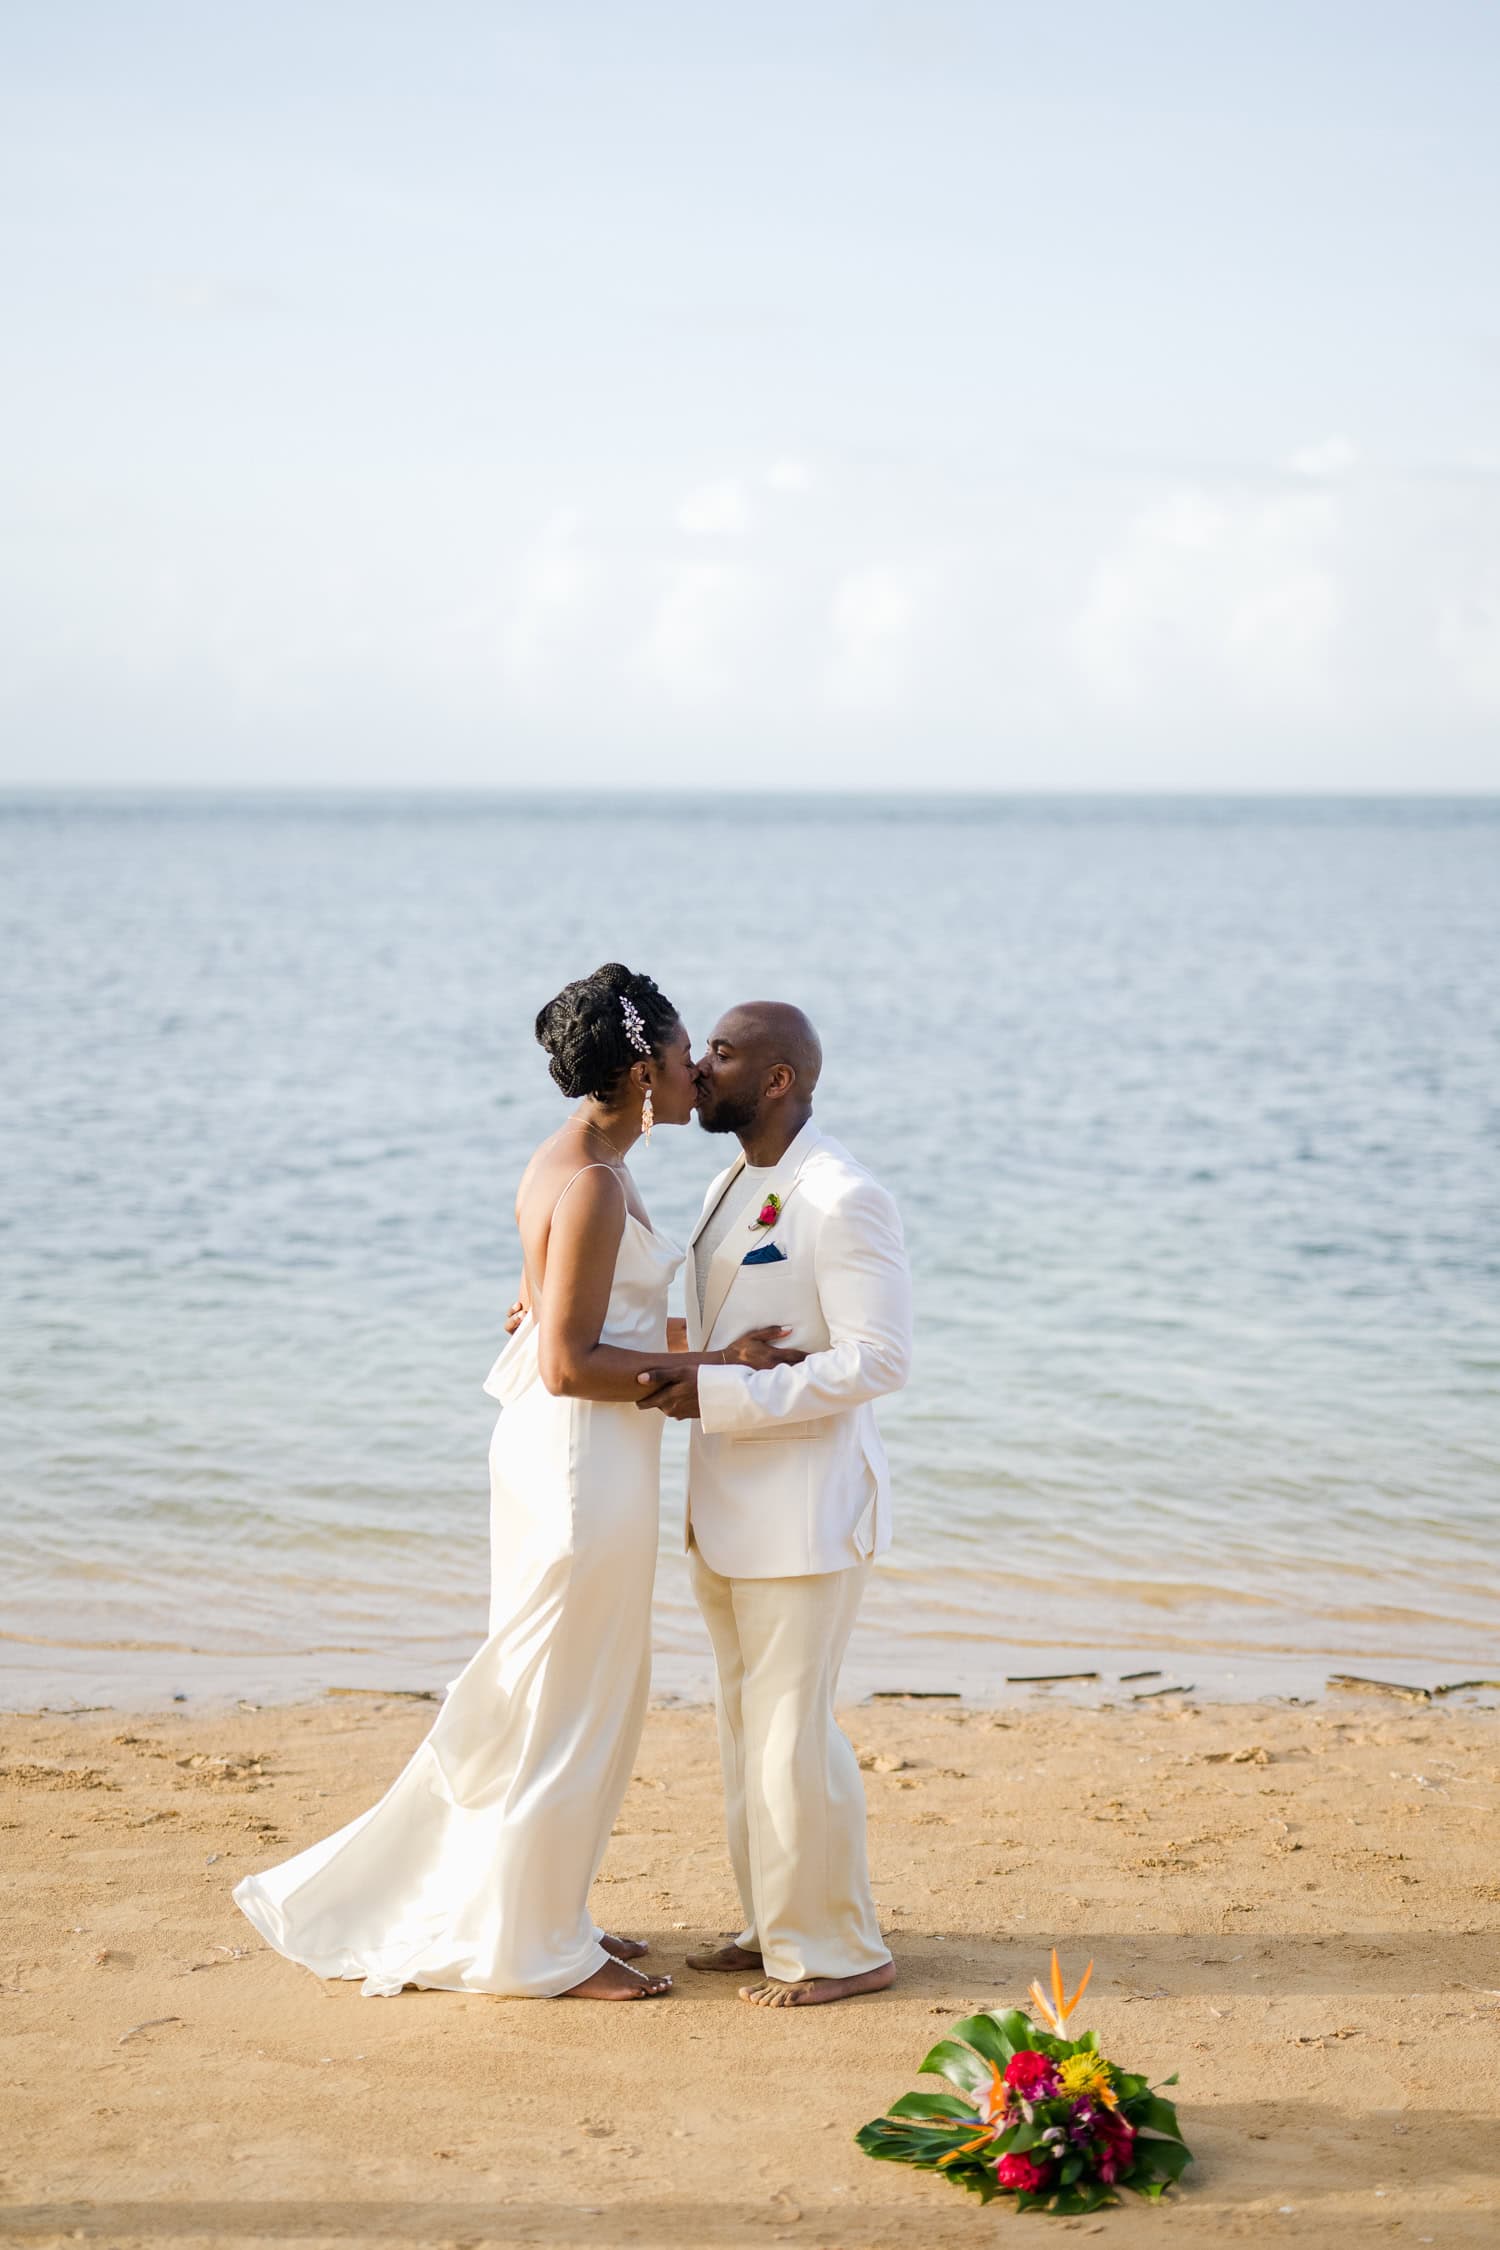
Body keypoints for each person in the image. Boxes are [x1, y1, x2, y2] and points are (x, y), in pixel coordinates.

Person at [233, 964, 796, 2002]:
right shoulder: (587, 1180)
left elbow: (572, 1322)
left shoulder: (591, 1165)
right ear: (640, 1070)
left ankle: (551, 1912)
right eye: (680, 1059)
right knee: (564, 1699)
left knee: (582, 1690)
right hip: (582, 1465)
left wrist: (699, 1347)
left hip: (590, 1453)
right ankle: (533, 1948)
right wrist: (721, 1367)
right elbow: (569, 1363)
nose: (694, 1076)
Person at [636, 1002, 912, 2008]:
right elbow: (721, 1323)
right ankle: (771, 1925)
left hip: (805, 1509)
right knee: (746, 1728)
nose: (698, 1067)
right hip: (724, 1508)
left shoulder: (842, 1196)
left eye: (723, 1051)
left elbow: (879, 1360)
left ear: (782, 1077)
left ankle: (840, 1951)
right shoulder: (732, 1182)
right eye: (701, 1050)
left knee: (795, 1733)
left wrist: (722, 1395)